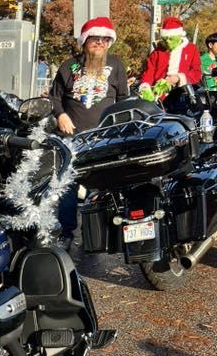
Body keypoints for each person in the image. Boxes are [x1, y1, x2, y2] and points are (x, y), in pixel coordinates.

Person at [49, 16, 129, 245]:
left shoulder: (116, 65)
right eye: (95, 38)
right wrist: (60, 115)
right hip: (71, 139)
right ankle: (66, 233)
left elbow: (123, 99)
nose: (100, 43)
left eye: (105, 39)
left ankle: (107, 234)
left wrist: (119, 127)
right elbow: (54, 97)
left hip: (105, 138)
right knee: (68, 188)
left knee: (108, 186)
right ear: (84, 41)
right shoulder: (68, 66)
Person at [138, 17, 202, 95]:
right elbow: (149, 72)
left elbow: (196, 73)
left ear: (179, 36)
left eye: (171, 39)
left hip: (183, 94)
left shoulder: (191, 49)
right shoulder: (157, 52)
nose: (168, 42)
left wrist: (178, 78)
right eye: (165, 40)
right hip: (159, 95)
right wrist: (145, 87)